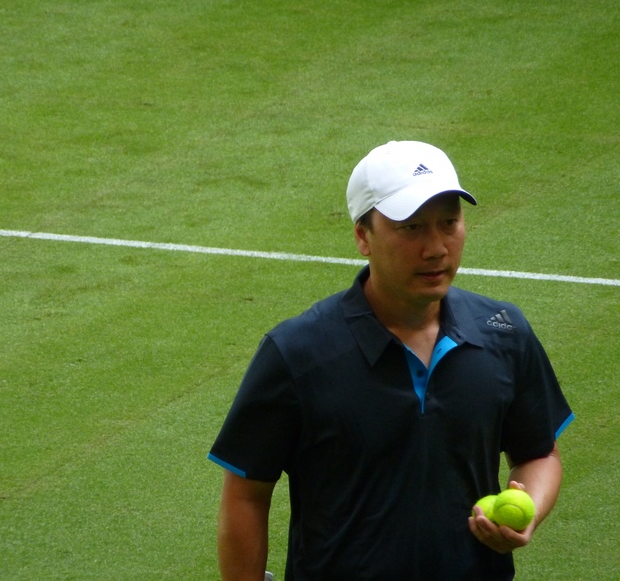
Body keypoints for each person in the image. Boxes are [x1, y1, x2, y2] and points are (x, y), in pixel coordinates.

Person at [207, 140, 574, 580]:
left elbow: (539, 452)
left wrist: (528, 509)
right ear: (363, 236)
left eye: (449, 223)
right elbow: (247, 493)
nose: (436, 247)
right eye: (412, 228)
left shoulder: (503, 332)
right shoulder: (298, 352)